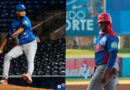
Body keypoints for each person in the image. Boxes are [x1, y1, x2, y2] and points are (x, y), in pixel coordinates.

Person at [0, 4, 37, 84]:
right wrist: (1, 47)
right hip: (21, 45)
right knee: (7, 56)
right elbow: (8, 36)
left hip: (31, 44)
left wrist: (14, 34)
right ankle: (5, 78)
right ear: (17, 12)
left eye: (24, 10)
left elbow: (22, 28)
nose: (24, 12)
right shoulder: (14, 23)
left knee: (30, 60)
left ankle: (29, 75)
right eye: (21, 11)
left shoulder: (26, 19)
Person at [87, 12, 119, 90]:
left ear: (108, 23)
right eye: (100, 23)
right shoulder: (100, 36)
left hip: (106, 67)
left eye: (104, 23)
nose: (101, 25)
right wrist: (95, 69)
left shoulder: (111, 36)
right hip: (103, 67)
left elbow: (113, 54)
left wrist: (105, 73)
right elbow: (99, 54)